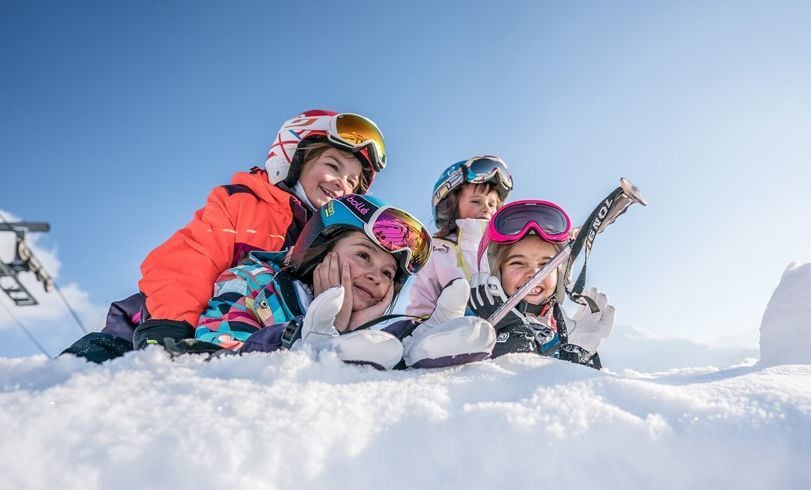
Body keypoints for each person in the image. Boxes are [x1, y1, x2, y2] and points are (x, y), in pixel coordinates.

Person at [62, 109, 387, 362]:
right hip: (154, 331)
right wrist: (172, 328)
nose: (342, 182)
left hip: (238, 344)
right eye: (332, 165)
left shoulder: (327, 242)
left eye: (353, 181)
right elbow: (189, 260)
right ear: (293, 159)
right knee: (80, 383)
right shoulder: (246, 204)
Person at [192, 193, 497, 370]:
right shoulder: (254, 284)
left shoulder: (379, 326)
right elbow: (213, 357)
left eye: (388, 274)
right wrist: (296, 341)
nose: (376, 276)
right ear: (320, 248)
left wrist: (411, 343)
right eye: (363, 256)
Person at [466, 200, 614, 368]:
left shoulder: (559, 336)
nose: (534, 274)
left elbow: (574, 393)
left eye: (545, 265)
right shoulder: (468, 326)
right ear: (494, 273)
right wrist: (508, 336)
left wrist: (578, 354)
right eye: (518, 263)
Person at [405, 156, 512, 318]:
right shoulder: (438, 251)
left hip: (507, 327)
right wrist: (419, 327)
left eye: (492, 204)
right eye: (476, 201)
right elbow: (423, 298)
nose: (486, 209)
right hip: (455, 330)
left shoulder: (505, 247)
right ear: (453, 206)